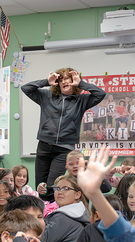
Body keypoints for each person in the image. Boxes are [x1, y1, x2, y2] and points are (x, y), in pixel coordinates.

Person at [22, 68, 105, 201]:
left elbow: (100, 94)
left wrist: (81, 84)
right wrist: (46, 82)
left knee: (51, 187)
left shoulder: (81, 100)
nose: (64, 81)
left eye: (68, 78)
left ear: (73, 81)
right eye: (61, 79)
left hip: (64, 149)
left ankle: (52, 215)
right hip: (44, 145)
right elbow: (26, 88)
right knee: (40, 187)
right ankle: (43, 216)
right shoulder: (46, 96)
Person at [40, 175, 89, 242]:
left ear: (77, 195)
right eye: (57, 188)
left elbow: (41, 240)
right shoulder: (81, 212)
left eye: (66, 189)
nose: (60, 192)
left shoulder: (63, 217)